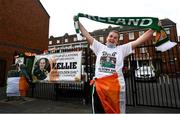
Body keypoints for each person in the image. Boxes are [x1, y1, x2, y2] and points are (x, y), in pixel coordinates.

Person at [76, 20, 156, 113]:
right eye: (111, 36)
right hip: (99, 87)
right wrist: (78, 22)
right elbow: (87, 35)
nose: (112, 38)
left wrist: (153, 29)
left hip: (114, 88)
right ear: (107, 38)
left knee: (114, 111)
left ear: (117, 41)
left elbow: (138, 41)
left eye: (115, 38)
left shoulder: (121, 49)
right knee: (98, 111)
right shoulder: (100, 47)